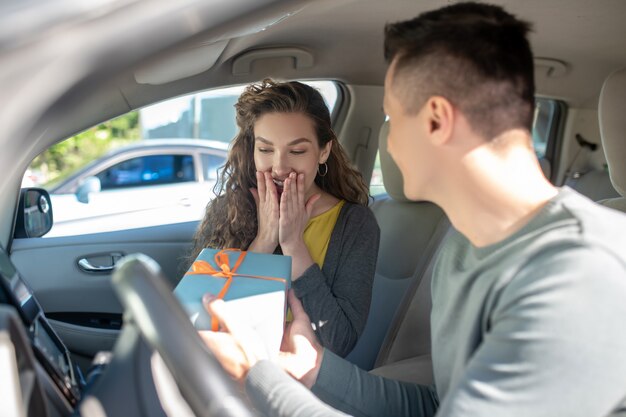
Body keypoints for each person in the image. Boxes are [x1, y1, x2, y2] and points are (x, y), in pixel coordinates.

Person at [200, 3, 626, 416]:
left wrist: (260, 376)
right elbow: (438, 405)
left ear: (437, 120)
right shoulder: (463, 251)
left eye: (393, 119)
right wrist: (312, 370)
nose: (390, 143)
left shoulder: (579, 271)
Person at [190, 79, 380, 357]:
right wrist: (264, 240)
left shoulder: (354, 224)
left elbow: (340, 341)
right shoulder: (227, 211)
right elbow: (198, 318)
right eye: (265, 150)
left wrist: (294, 246)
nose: (279, 168)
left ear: (323, 151)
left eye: (297, 151)